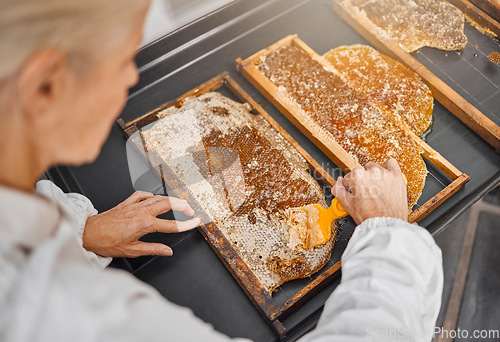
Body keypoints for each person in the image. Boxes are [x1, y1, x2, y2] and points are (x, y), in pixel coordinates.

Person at [0, 0, 443, 341]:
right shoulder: (76, 317)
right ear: (45, 84)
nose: (129, 82)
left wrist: (79, 230)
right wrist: (389, 233)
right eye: (122, 62)